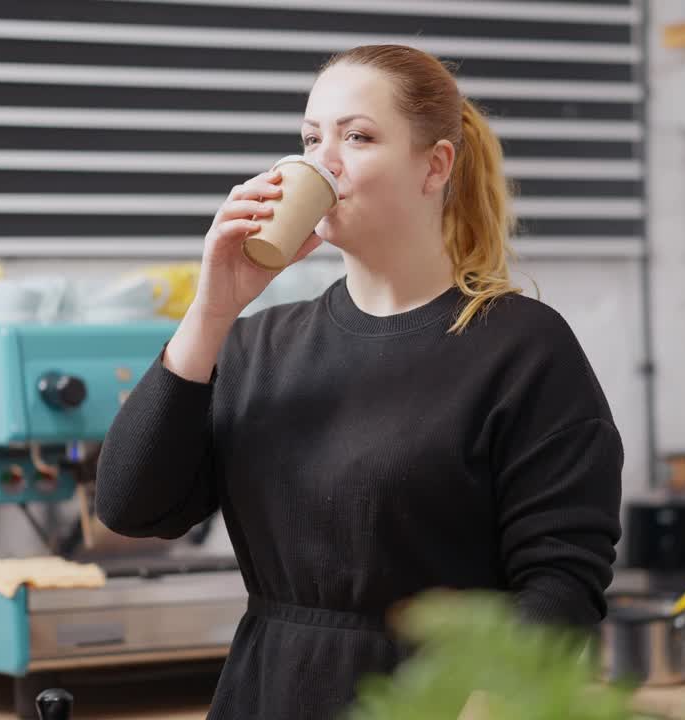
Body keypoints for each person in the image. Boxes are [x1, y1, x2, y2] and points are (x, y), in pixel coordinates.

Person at [96, 44, 623, 719]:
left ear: (435, 165)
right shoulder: (261, 344)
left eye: (358, 137)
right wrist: (214, 309)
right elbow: (131, 508)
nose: (324, 162)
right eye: (312, 138)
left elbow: (563, 579)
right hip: (267, 695)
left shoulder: (521, 347)